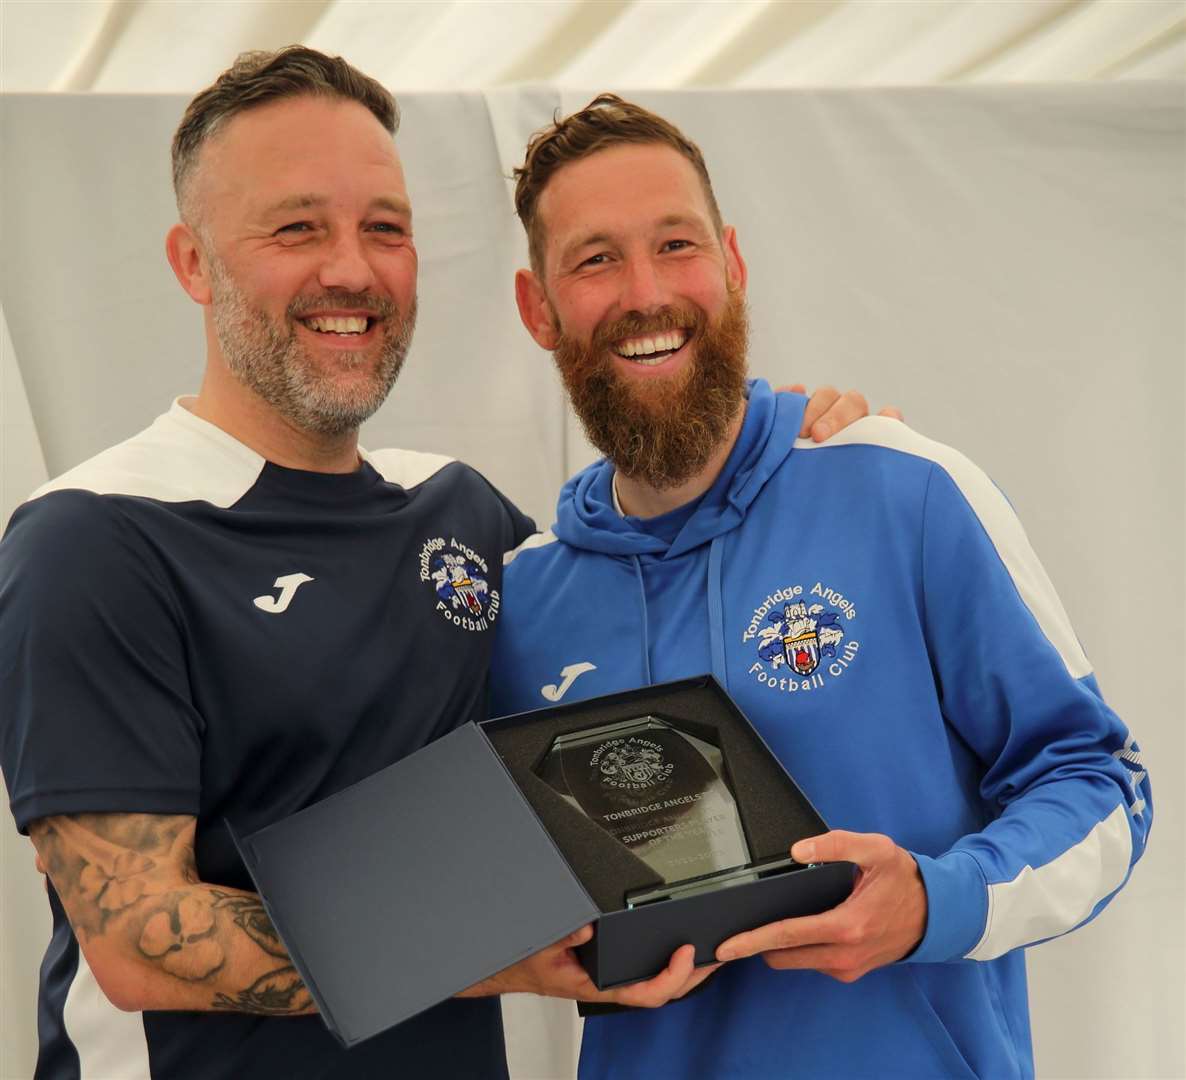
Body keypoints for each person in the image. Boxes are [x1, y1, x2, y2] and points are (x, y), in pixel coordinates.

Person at [0, 50, 875, 1079]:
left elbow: (647, 633)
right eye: (297, 227)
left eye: (385, 228)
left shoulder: (459, 514)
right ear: (193, 263)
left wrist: (799, 463)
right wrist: (493, 956)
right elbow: (140, 939)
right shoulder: (97, 536)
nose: (352, 271)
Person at [491, 94, 1153, 1080]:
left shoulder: (903, 490)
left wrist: (939, 900)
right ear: (538, 308)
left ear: (733, 264)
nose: (645, 290)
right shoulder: (523, 603)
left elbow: (1102, 787)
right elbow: (482, 900)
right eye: (595, 260)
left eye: (676, 244)